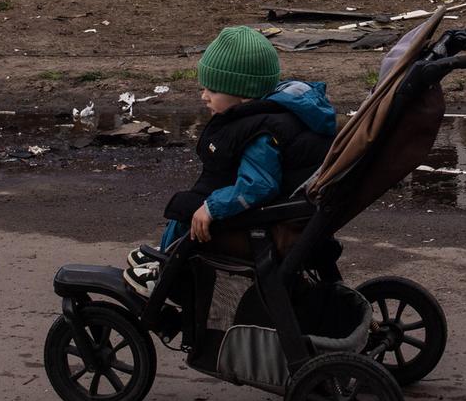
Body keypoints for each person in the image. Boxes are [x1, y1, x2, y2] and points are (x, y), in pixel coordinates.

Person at [123, 26, 336, 297]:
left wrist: (212, 207)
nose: (204, 95)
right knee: (192, 202)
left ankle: (165, 273)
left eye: (212, 89)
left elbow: (258, 186)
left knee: (189, 209)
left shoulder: (261, 134)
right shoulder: (277, 111)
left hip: (264, 223)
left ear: (243, 95)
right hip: (286, 211)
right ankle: (162, 257)